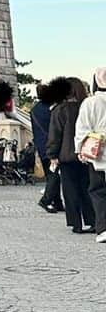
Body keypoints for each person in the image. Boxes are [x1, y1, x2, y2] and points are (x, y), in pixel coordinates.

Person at [46, 76, 94, 233]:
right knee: (88, 188)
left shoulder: (60, 110)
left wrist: (52, 154)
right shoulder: (86, 107)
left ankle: (76, 223)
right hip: (87, 154)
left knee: (70, 190)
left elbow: (55, 135)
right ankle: (93, 219)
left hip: (67, 155)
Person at [74, 67, 106, 243]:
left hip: (98, 151)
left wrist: (79, 149)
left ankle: (103, 228)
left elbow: (82, 129)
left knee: (98, 190)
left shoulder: (90, 103)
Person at [32, 82, 62, 210]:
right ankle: (46, 200)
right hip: (51, 145)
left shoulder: (34, 109)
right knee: (55, 175)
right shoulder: (51, 109)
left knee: (50, 173)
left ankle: (57, 202)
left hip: (41, 146)